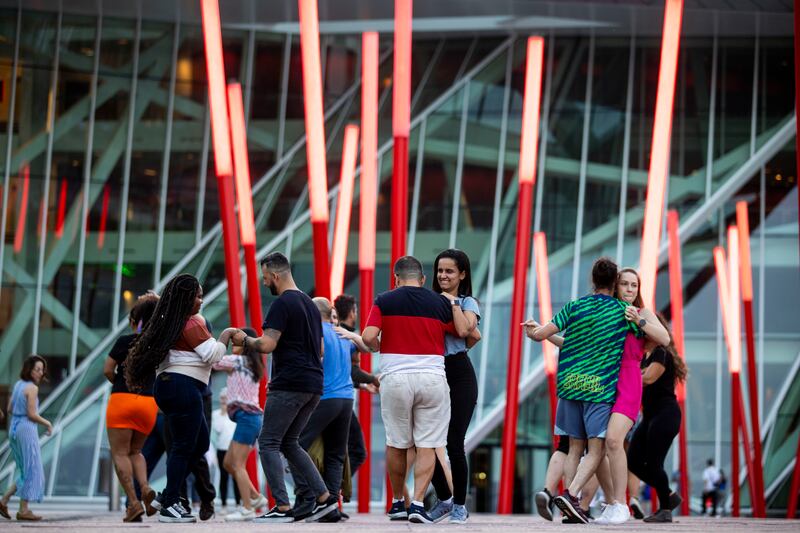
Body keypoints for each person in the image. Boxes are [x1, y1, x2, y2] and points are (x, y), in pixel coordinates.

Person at [529, 268, 669, 524]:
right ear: (615, 286)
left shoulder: (638, 314)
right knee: (601, 448)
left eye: (634, 285)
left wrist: (639, 320)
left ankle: (605, 501)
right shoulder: (612, 312)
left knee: (612, 442)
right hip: (605, 385)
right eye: (624, 284)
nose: (629, 289)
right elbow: (575, 343)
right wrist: (546, 335)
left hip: (627, 384)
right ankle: (610, 503)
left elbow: (665, 338)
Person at [229, 252, 338, 523]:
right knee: (290, 443)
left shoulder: (282, 304)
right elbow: (321, 349)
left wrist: (245, 339)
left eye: (266, 278)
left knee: (268, 442)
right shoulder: (311, 305)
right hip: (313, 384)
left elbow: (266, 344)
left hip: (289, 383)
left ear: (275, 275)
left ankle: (282, 506)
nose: (266, 283)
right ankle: (325, 500)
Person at [125, 274, 234, 523]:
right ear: (186, 299)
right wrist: (227, 333)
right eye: (197, 296)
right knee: (186, 446)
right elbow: (213, 355)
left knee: (199, 444)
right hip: (184, 386)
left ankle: (167, 496)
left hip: (172, 387)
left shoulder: (170, 323)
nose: (201, 301)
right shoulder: (191, 323)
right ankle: (171, 504)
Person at [361, 255, 457, 524]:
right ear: (423, 279)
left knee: (396, 442)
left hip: (396, 378)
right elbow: (460, 331)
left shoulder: (385, 300)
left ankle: (397, 503)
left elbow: (368, 337)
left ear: (396, 278)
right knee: (427, 444)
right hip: (432, 377)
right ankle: (417, 503)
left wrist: (379, 346)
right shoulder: (439, 302)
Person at [288, 297, 356, 522]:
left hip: (325, 397)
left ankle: (306, 499)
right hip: (347, 400)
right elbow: (368, 346)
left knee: (294, 446)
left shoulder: (316, 332)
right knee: (335, 455)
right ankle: (331, 509)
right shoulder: (342, 334)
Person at [426, 249, 481, 524]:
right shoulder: (429, 301)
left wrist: (453, 304)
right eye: (439, 271)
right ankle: (445, 499)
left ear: (462, 274)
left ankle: (459, 506)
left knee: (453, 442)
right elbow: (474, 335)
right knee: (425, 441)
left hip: (460, 373)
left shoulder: (468, 302)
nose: (443, 275)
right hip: (433, 371)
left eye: (449, 271)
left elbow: (464, 331)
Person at [103, 292, 160, 522]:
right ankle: (145, 488)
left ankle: (134, 504)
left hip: (122, 400)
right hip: (148, 403)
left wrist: (118, 382)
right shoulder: (157, 345)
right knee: (136, 451)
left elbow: (108, 369)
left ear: (134, 320)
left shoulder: (124, 341)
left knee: (119, 453)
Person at [626, 314, 688, 523]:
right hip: (650, 416)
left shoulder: (661, 353)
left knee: (654, 464)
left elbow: (648, 378)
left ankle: (665, 509)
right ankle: (669, 495)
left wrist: (627, 375)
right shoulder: (644, 356)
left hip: (666, 414)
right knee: (633, 461)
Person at [212, 330, 268, 522]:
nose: (232, 343)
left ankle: (247, 508)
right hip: (249, 419)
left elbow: (213, 360)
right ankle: (255, 497)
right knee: (228, 463)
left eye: (236, 340)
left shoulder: (237, 361)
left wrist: (225, 335)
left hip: (248, 418)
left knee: (237, 464)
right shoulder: (252, 363)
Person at [0, 355, 51, 522]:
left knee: (24, 469)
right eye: (37, 369)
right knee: (32, 469)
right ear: (29, 370)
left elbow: (9, 409)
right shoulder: (32, 388)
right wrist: (48, 423)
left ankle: (4, 501)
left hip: (14, 428)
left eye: (42, 369)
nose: (40, 372)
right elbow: (31, 414)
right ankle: (24, 509)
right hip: (26, 429)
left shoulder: (18, 385)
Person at [333, 294, 380, 477]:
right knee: (357, 452)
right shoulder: (345, 337)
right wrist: (372, 379)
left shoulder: (340, 334)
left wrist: (362, 386)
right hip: (339, 400)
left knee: (337, 452)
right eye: (356, 310)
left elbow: (340, 372)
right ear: (352, 312)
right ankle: (331, 490)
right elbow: (348, 371)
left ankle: (327, 493)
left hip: (335, 398)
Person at [210, 389, 241, 513]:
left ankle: (239, 503)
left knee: (236, 476)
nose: (224, 401)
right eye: (222, 398)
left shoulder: (235, 413)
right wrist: (223, 413)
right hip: (221, 449)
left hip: (235, 449)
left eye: (226, 398)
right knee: (223, 477)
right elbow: (216, 431)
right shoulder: (216, 414)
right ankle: (223, 504)